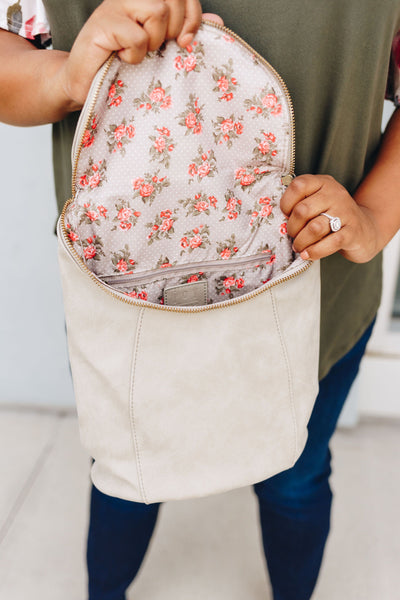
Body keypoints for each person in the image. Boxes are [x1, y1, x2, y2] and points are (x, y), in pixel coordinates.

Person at [0, 1, 399, 599]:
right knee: (128, 478)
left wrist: (375, 213)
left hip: (318, 297)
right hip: (121, 300)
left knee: (293, 477)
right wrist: (63, 76)